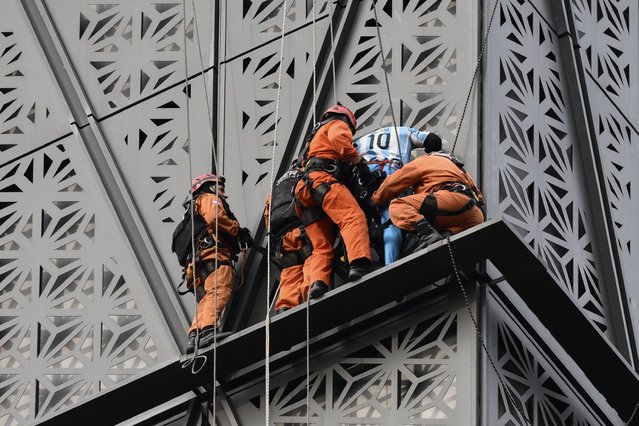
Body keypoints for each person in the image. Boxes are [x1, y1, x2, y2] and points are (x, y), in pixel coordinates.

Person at [294, 103, 372, 299]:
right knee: (352, 217)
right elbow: (340, 140)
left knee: (321, 245)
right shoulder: (337, 124)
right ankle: (358, 263)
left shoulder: (311, 141)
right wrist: (358, 161)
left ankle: (318, 282)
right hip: (322, 181)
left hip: (303, 192)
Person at [182, 173, 252, 353]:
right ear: (211, 187)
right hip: (212, 254)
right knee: (219, 290)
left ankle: (195, 335)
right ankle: (208, 331)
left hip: (196, 263)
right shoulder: (208, 198)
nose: (225, 194)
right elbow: (215, 218)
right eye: (220, 188)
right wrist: (236, 230)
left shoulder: (191, 212)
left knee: (206, 298)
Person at [353, 126, 442, 264]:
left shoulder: (358, 141)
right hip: (390, 175)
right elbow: (432, 140)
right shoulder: (402, 131)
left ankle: (357, 263)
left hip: (363, 182)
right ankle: (390, 265)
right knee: (391, 222)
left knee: (358, 224)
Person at [370, 152, 484, 251]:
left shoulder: (426, 160)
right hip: (474, 216)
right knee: (447, 239)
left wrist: (375, 199)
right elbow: (479, 197)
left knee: (397, 206)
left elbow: (394, 182)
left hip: (450, 201)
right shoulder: (460, 170)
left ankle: (429, 236)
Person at [264, 162, 313, 313]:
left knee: (291, 272)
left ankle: (285, 306)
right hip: (301, 228)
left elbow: (267, 214)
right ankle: (310, 294)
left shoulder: (275, 188)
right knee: (312, 258)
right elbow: (307, 195)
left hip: (282, 238)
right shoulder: (302, 176)